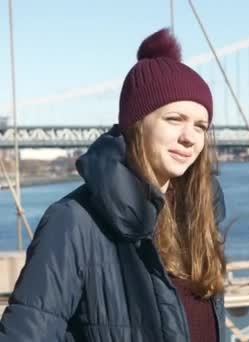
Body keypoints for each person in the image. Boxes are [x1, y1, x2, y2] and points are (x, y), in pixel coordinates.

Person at [0, 28, 227, 342]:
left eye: (201, 126)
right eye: (174, 119)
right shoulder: (73, 221)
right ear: (135, 125)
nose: (190, 137)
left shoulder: (198, 217)